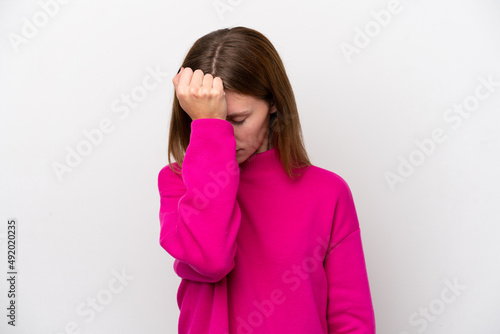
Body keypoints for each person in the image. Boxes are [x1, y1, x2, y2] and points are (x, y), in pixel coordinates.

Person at [157, 26, 376, 334]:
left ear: (273, 103)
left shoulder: (328, 192)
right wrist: (209, 129)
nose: (226, 136)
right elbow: (211, 259)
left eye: (237, 120)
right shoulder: (179, 184)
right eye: (212, 121)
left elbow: (350, 318)